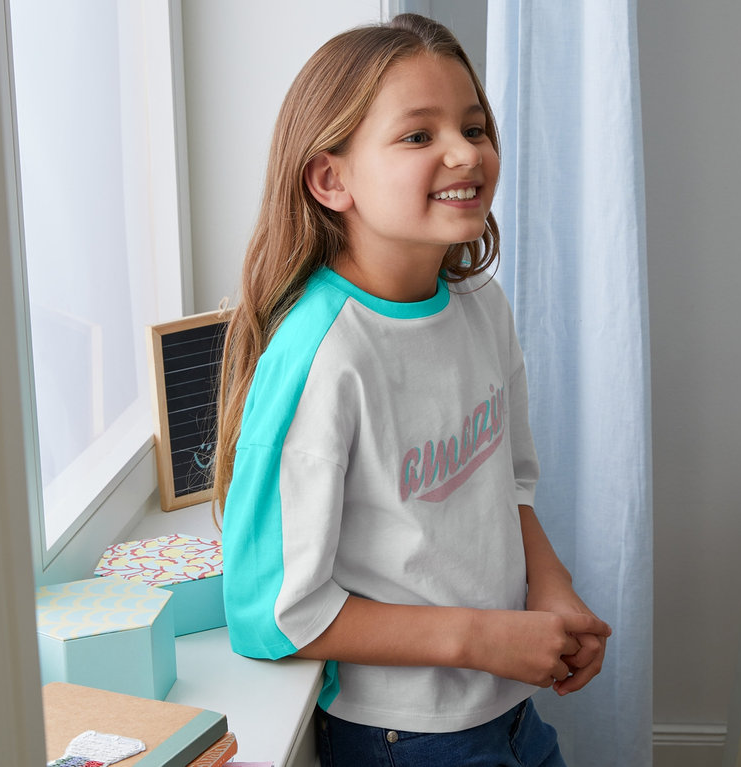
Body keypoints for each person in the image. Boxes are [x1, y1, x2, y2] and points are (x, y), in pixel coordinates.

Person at [213, 13, 611, 767]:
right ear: (332, 179)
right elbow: (269, 614)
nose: (467, 151)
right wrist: (481, 637)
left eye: (474, 126)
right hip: (404, 737)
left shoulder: (480, 305)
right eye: (419, 135)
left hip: (511, 710)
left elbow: (509, 484)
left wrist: (551, 588)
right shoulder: (323, 357)